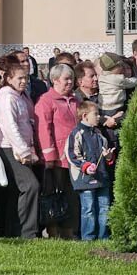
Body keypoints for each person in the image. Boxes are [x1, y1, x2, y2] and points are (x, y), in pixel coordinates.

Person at [0, 65, 40, 238]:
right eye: (19, 78)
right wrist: (24, 151)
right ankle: (27, 232)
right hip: (11, 148)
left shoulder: (20, 96)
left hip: (22, 147)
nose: (23, 81)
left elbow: (27, 123)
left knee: (17, 190)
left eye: (26, 78)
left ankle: (15, 230)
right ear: (9, 78)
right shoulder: (6, 97)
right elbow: (9, 126)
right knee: (30, 186)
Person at [35, 64, 80, 239]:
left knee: (70, 194)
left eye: (71, 78)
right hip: (58, 156)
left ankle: (70, 230)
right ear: (55, 81)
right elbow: (43, 129)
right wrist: (49, 155)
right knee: (55, 194)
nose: (70, 82)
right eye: (66, 79)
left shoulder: (75, 100)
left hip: (75, 155)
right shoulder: (46, 101)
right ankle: (54, 231)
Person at [66, 101, 116, 241]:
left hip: (101, 177)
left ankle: (103, 236)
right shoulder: (77, 134)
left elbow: (106, 154)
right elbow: (72, 155)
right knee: (88, 209)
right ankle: (88, 237)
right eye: (96, 114)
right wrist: (86, 166)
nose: (99, 117)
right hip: (85, 179)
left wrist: (109, 157)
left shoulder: (99, 135)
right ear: (85, 116)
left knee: (104, 208)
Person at [96, 53, 136, 127]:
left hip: (103, 107)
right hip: (114, 107)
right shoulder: (116, 79)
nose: (122, 68)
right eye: (120, 66)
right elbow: (131, 83)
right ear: (113, 68)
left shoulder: (102, 77)